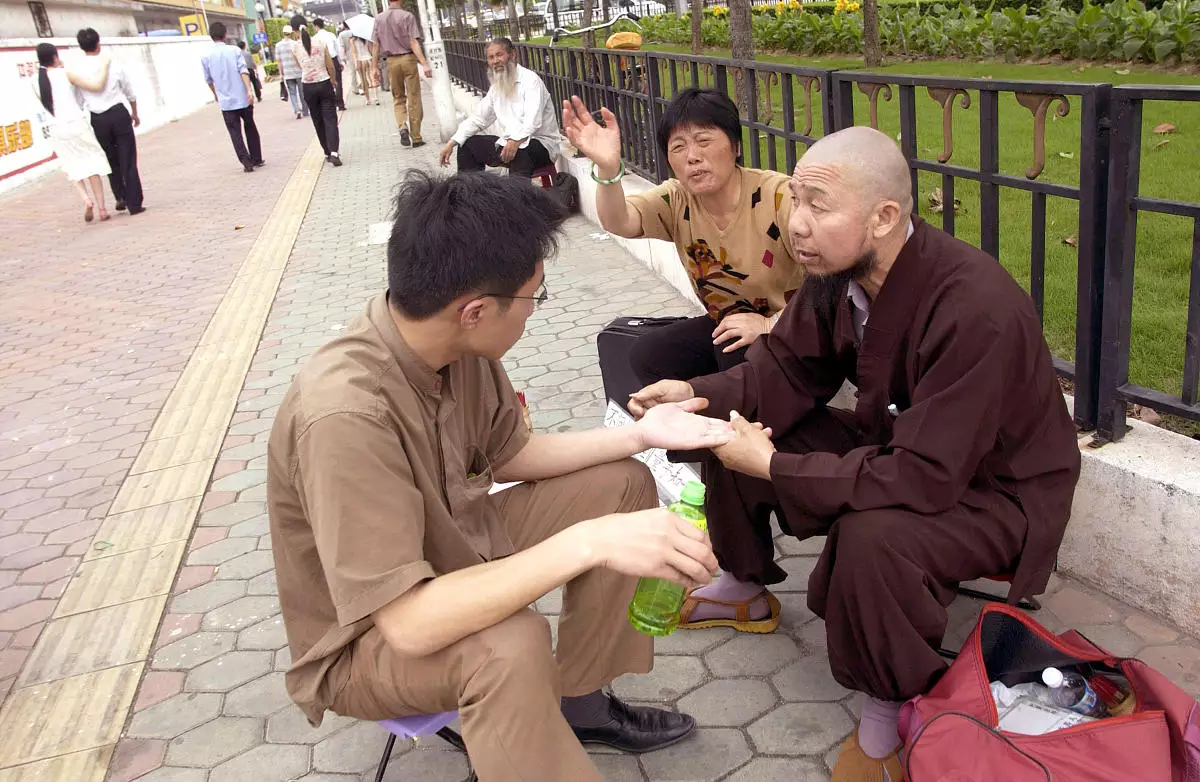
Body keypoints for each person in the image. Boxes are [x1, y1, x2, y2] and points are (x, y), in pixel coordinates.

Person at [628, 126, 1082, 781]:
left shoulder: (976, 307)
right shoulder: (835, 275)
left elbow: (926, 478)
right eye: (794, 200)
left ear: (885, 217)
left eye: (818, 205)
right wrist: (694, 392)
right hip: (908, 446)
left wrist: (779, 469)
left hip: (997, 493)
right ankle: (744, 586)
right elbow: (781, 371)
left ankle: (888, 716)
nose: (796, 225)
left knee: (873, 535)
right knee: (733, 426)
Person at [268, 171, 733, 781]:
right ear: (476, 310)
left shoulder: (457, 348)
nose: (536, 313)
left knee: (619, 485)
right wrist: (586, 543)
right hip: (367, 640)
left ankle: (581, 704)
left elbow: (512, 455)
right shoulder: (345, 415)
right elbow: (410, 623)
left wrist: (643, 435)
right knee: (509, 644)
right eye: (534, 297)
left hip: (455, 548)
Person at [564, 88, 804, 390]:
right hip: (730, 326)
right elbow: (619, 220)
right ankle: (696, 427)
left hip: (797, 330)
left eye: (704, 141)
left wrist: (769, 325)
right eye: (678, 147)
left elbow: (831, 283)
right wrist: (608, 169)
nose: (692, 157)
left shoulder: (779, 197)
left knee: (732, 351)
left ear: (736, 146)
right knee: (649, 356)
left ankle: (749, 432)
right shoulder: (677, 198)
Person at [439, 37, 562, 179]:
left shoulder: (531, 81)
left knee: (519, 152)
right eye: (491, 57)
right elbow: (478, 119)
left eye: (499, 55)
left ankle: (518, 199)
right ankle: (472, 196)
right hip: (510, 143)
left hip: (542, 145)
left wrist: (515, 142)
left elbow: (532, 122)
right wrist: (451, 143)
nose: (495, 61)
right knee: (467, 145)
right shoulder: (496, 88)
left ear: (512, 55)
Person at [31, 42, 114, 223]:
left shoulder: (35, 81)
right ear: (55, 56)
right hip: (77, 123)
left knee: (72, 166)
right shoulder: (66, 74)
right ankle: (101, 208)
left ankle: (86, 199)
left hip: (57, 128)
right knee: (93, 164)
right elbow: (96, 86)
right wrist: (105, 66)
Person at [75, 28, 145, 215]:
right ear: (98, 43)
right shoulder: (112, 63)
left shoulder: (77, 69)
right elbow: (129, 90)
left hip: (97, 118)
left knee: (110, 159)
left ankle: (120, 196)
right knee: (128, 159)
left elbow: (79, 100)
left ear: (81, 47)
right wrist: (134, 112)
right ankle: (134, 203)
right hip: (118, 113)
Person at [203, 23, 263, 173]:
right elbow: (243, 71)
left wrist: (216, 94)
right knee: (250, 127)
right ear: (225, 35)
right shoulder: (235, 50)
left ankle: (246, 162)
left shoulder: (206, 56)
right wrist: (249, 90)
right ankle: (256, 158)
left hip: (226, 102)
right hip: (242, 97)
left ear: (211, 36)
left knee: (234, 132)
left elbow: (209, 80)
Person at [372, 0, 433, 148]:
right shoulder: (407, 16)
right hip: (408, 59)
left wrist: (374, 67)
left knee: (398, 98)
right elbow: (413, 42)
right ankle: (416, 137)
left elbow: (375, 45)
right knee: (414, 97)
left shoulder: (379, 19)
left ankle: (402, 126)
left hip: (391, 62)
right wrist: (424, 63)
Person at [288, 14, 342, 166]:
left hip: (308, 86)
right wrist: (333, 80)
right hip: (324, 83)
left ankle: (326, 151)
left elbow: (300, 66)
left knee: (317, 120)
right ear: (308, 25)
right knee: (330, 118)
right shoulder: (320, 42)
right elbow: (330, 65)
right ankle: (334, 152)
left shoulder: (294, 47)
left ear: (293, 31)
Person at [311, 18, 345, 111]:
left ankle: (331, 104)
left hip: (322, 62)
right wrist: (341, 62)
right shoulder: (331, 35)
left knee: (326, 83)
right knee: (338, 81)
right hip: (334, 60)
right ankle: (340, 104)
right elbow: (337, 50)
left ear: (316, 26)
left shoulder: (314, 38)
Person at [276, 25, 307, 120]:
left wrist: (281, 74)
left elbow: (278, 61)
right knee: (302, 92)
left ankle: (297, 110)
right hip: (298, 71)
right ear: (291, 33)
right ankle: (305, 111)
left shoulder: (278, 45)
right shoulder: (295, 44)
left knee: (292, 93)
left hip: (287, 73)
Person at [347, 34, 377, 106]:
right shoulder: (366, 38)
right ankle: (375, 97)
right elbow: (371, 50)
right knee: (372, 78)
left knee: (363, 80)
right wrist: (374, 60)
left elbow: (354, 53)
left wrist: (355, 63)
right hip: (368, 59)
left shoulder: (352, 40)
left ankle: (368, 99)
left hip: (360, 60)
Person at [337, 22, 356, 96]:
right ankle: (362, 87)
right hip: (357, 52)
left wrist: (343, 58)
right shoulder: (354, 32)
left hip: (349, 54)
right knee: (360, 71)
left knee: (352, 72)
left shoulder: (341, 35)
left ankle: (355, 88)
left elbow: (341, 46)